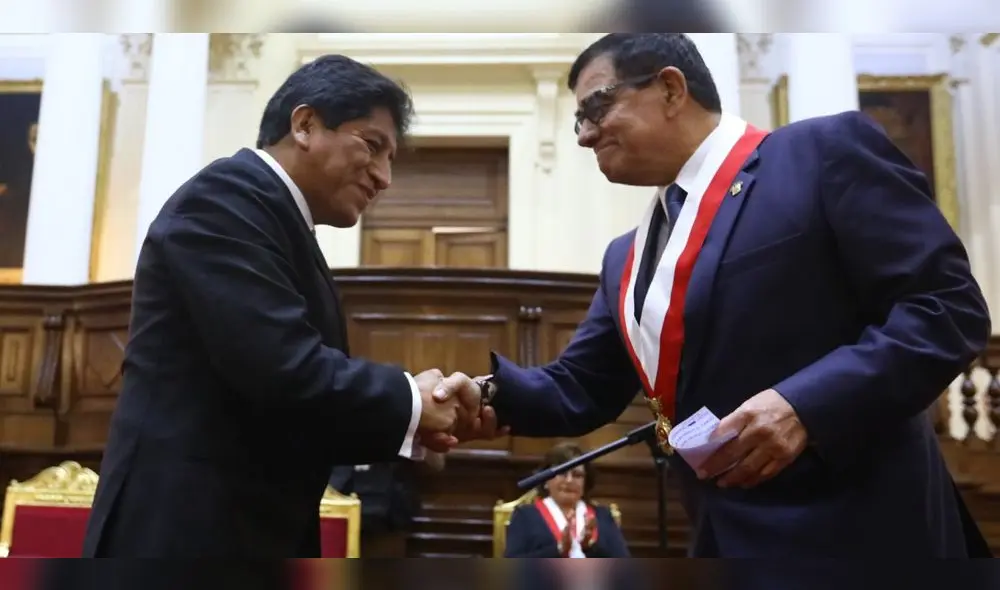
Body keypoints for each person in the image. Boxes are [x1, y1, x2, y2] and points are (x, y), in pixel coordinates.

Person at [437, 33, 993, 582]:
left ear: (671, 89)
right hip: (724, 533)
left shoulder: (820, 154)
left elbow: (946, 307)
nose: (584, 134)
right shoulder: (625, 257)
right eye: (577, 120)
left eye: (597, 107)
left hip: (859, 529)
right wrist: (489, 393)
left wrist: (804, 406)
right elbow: (580, 386)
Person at [81, 54, 471, 558]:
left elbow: (289, 412)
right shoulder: (222, 202)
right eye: (373, 147)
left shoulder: (276, 219)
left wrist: (415, 422)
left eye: (390, 158)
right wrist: (413, 402)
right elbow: (284, 369)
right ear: (305, 125)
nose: (384, 177)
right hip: (184, 539)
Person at [504, 442, 630, 558]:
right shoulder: (525, 516)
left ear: (585, 483)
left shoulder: (603, 516)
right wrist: (558, 550)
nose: (569, 480)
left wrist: (590, 547)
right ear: (546, 480)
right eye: (562, 473)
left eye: (577, 475)